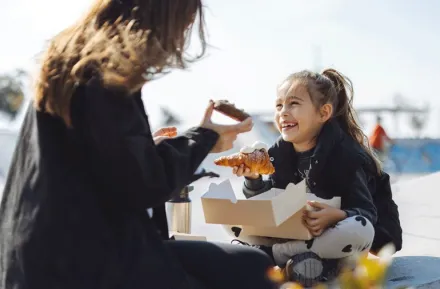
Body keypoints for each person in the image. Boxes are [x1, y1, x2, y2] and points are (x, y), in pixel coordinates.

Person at [0, 1, 277, 289]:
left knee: (247, 264)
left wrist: (150, 148)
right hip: (84, 262)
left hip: (35, 257)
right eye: (184, 22)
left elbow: (101, 161)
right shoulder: (107, 73)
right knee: (254, 272)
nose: (183, 35)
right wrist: (205, 138)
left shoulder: (70, 59)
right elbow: (146, 184)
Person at [229, 69, 401, 286]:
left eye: (293, 103)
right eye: (279, 105)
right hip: (294, 235)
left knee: (360, 227)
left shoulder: (347, 156)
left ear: (324, 113)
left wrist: (337, 215)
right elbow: (269, 204)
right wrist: (253, 180)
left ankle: (269, 257)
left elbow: (367, 213)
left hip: (336, 241)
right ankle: (299, 264)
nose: (283, 112)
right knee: (235, 222)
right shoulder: (277, 155)